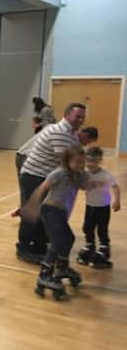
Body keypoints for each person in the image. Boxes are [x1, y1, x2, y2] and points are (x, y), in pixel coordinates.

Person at [17, 103, 86, 263]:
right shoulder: (59, 132)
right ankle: (24, 248)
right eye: (78, 116)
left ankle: (39, 246)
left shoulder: (71, 132)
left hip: (45, 175)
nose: (81, 119)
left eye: (83, 117)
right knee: (31, 212)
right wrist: (88, 180)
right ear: (67, 115)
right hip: (34, 176)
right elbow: (69, 163)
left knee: (44, 213)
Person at [22, 146, 93, 300]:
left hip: (61, 213)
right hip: (50, 210)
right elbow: (41, 189)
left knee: (69, 239)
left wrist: (104, 181)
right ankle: (44, 275)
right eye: (76, 162)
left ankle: (61, 268)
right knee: (57, 242)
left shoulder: (78, 176)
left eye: (82, 162)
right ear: (67, 161)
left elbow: (87, 186)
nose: (80, 165)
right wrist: (32, 206)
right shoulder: (59, 173)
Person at [12, 126, 98, 218]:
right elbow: (66, 162)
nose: (86, 144)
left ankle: (28, 211)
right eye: (88, 142)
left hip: (30, 156)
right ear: (85, 135)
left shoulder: (72, 136)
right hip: (25, 156)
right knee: (32, 189)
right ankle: (27, 214)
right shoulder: (69, 137)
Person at [76, 147, 121, 269]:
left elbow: (115, 187)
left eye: (94, 161)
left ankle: (104, 248)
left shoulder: (106, 175)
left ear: (100, 161)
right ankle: (90, 245)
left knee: (102, 229)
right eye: (88, 160)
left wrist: (117, 200)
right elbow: (82, 187)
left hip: (103, 207)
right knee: (87, 227)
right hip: (90, 205)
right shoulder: (85, 174)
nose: (90, 164)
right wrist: (86, 184)